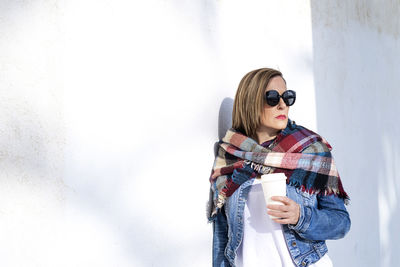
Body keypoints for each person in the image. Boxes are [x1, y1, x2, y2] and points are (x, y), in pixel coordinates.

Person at [207, 68, 351, 267]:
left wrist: (301, 216)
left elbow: (341, 222)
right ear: (250, 102)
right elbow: (222, 236)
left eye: (287, 97)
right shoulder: (229, 156)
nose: (282, 105)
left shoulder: (311, 151)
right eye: (273, 98)